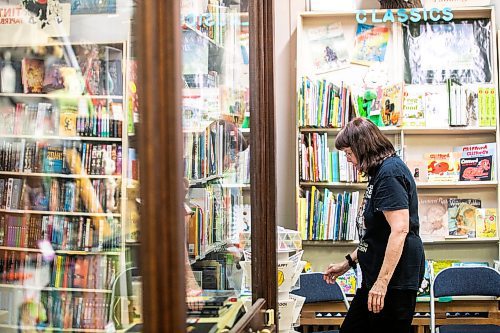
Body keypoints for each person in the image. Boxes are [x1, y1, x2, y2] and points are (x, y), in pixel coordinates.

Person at [323, 117, 425, 333]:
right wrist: (348, 263)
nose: (349, 160)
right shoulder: (380, 173)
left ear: (362, 148)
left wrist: (382, 283)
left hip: (392, 282)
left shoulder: (390, 173)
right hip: (377, 279)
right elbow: (376, 234)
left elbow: (400, 230)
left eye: (349, 153)